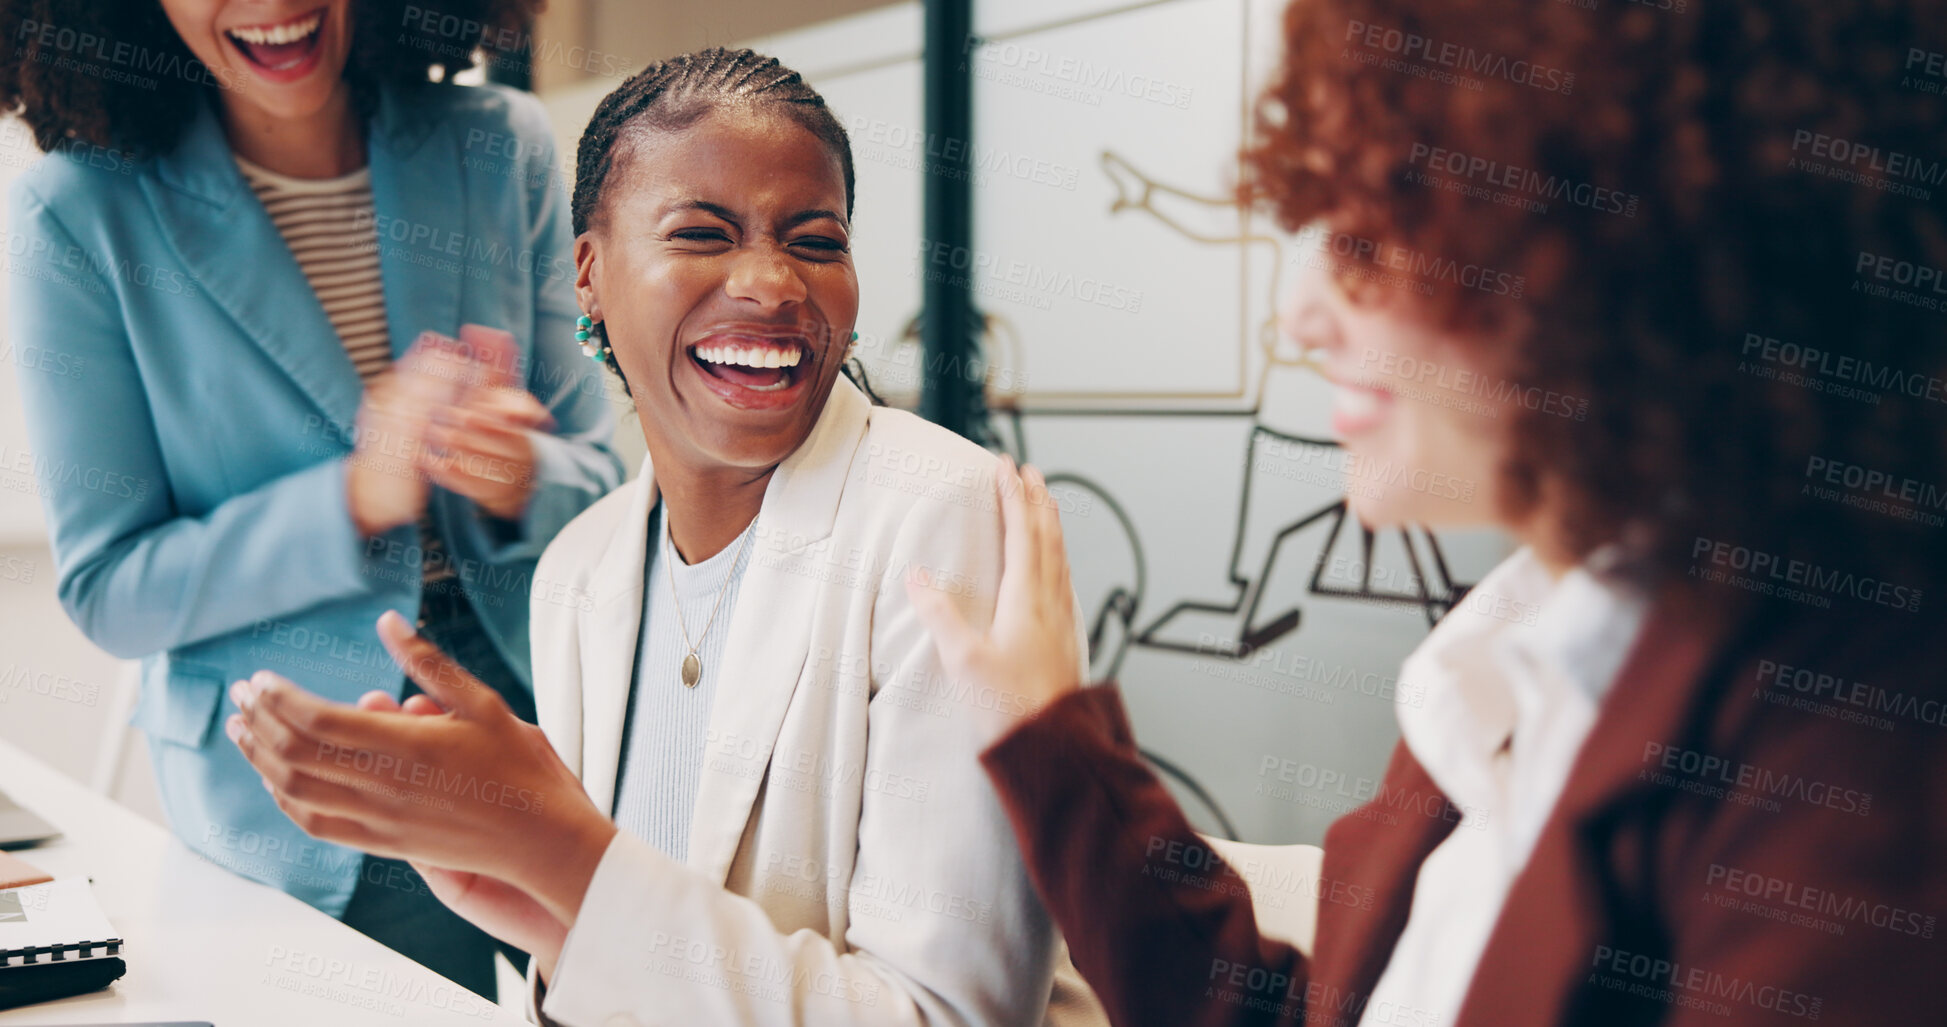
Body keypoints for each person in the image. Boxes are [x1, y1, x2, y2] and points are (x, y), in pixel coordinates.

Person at [902, 1, 1947, 1025]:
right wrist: (1049, 736)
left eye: (1370, 232)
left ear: (1600, 233)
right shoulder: (1512, 654)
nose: (1301, 316)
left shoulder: (1854, 790)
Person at [225, 48, 1105, 1026]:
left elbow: (951, 1017)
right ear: (589, 274)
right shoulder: (579, 570)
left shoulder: (941, 514)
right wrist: (542, 914)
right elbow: (638, 968)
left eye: (817, 241)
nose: (772, 284)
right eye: (702, 232)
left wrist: (561, 854)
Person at [3, 0, 623, 997]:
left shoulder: (499, 145)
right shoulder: (74, 215)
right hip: (305, 764)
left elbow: (601, 479)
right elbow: (111, 587)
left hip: (547, 709)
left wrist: (520, 478)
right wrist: (354, 495)